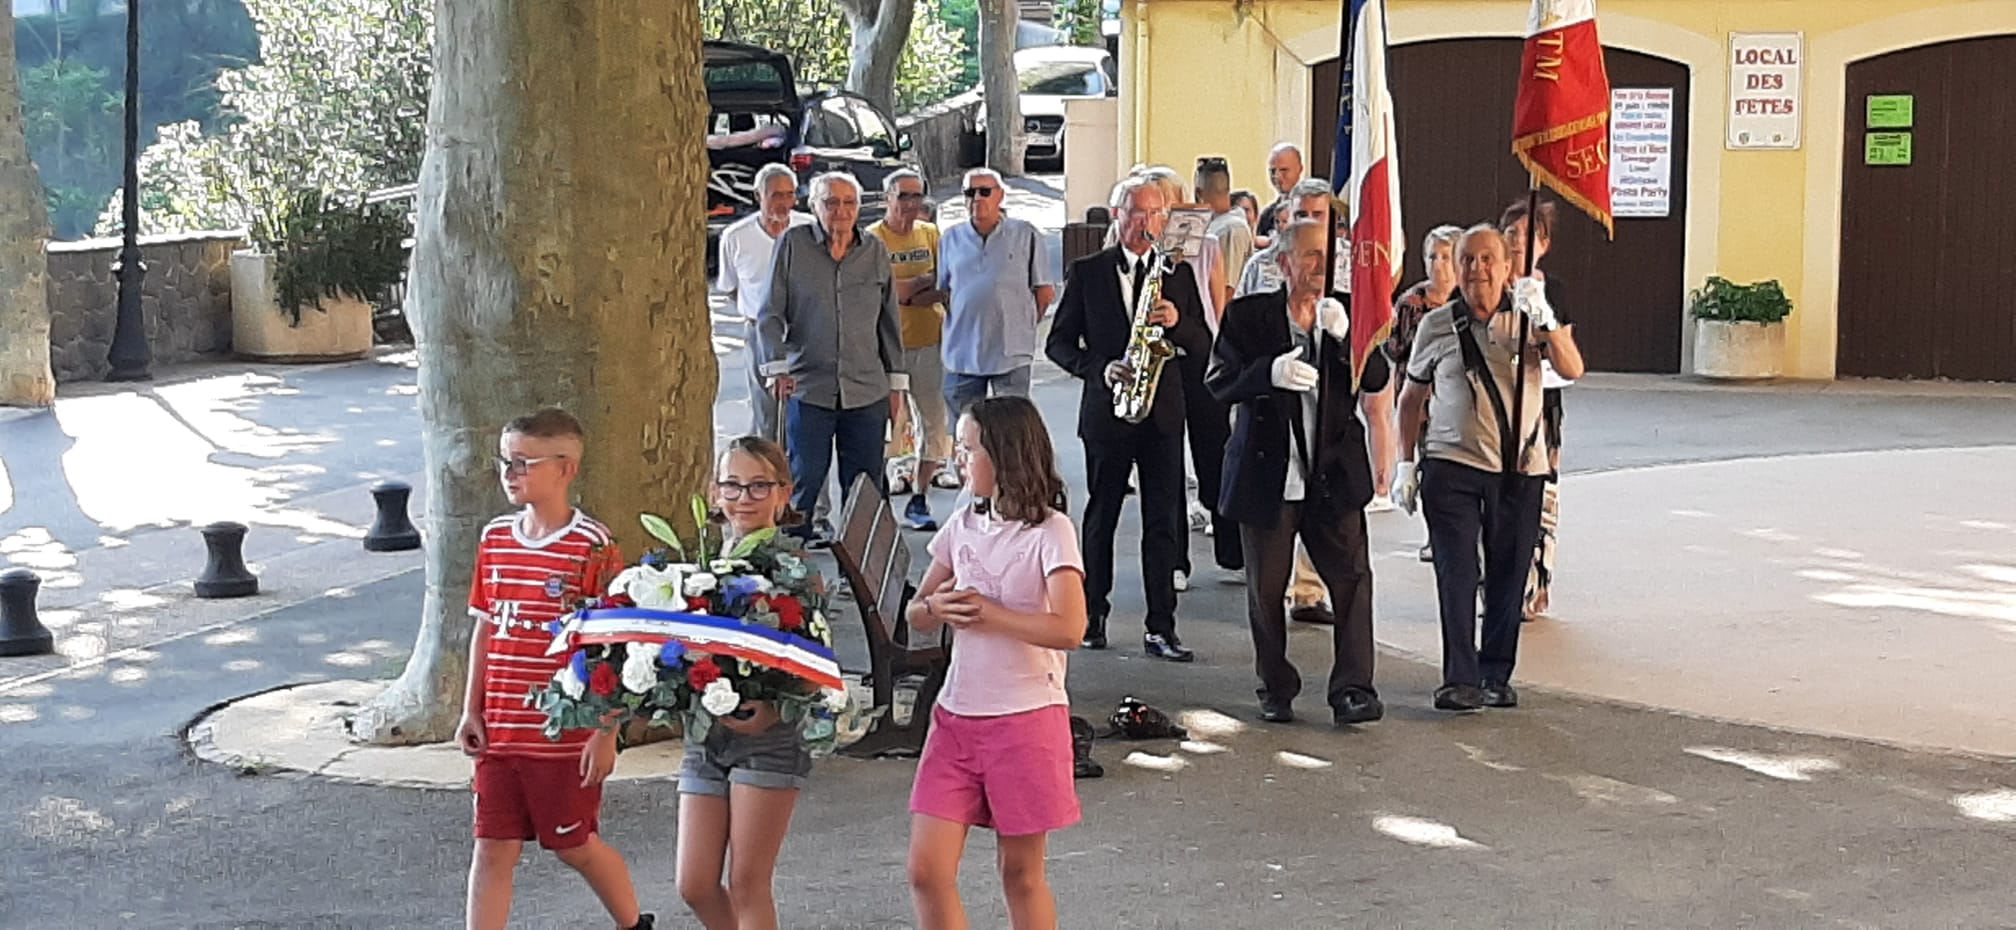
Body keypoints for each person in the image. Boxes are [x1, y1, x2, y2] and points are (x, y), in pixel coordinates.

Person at [456, 407, 654, 930]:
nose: (510, 473)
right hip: (501, 731)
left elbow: (615, 647)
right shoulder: (495, 538)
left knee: (574, 845)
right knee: (492, 847)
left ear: (566, 469)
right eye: (505, 461)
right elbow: (485, 629)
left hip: (562, 736)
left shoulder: (592, 546)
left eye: (524, 462)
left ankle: (634, 923)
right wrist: (471, 709)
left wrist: (606, 732)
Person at [904, 396, 1088, 930]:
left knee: (1021, 874)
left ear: (1006, 455)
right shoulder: (963, 522)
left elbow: (1070, 628)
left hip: (1026, 719)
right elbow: (917, 611)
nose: (959, 461)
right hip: (956, 717)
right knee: (926, 871)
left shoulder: (1051, 531)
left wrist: (990, 614)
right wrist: (935, 609)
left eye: (969, 450)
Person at [1392, 224, 1586, 712]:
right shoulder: (1436, 326)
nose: (1476, 269)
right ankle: (1460, 678)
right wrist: (1405, 464)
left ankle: (1495, 673)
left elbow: (1572, 368)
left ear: (1506, 267)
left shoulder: (1529, 318)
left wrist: (1546, 322)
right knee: (1457, 572)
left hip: (1520, 467)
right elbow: (1411, 398)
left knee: (1509, 572)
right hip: (1452, 464)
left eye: (1486, 260)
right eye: (1467, 260)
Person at [1208, 220, 1389, 726]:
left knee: (1352, 580)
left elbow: (1377, 377)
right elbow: (1219, 381)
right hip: (1269, 474)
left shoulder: (1344, 312)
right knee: (1267, 591)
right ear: (1283, 263)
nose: (1320, 266)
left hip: (1332, 475)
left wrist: (1348, 339)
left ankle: (1354, 688)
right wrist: (1268, 373)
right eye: (1310, 255)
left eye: (1327, 256)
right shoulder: (1248, 316)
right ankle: (1276, 685)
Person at [1045, 175, 1212, 662]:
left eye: (1153, 213)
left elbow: (1203, 341)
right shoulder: (1088, 272)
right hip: (1108, 412)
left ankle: (1161, 626)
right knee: (1102, 516)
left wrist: (1178, 323)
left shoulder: (1176, 274)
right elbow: (1058, 343)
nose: (1145, 222)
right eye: (1136, 212)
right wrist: (1099, 368)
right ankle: (1092, 615)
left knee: (1162, 522)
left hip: (1161, 414)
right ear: (1117, 216)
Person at [676, 437, 815, 930]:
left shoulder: (795, 570)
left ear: (783, 493)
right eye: (732, 485)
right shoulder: (701, 561)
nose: (744, 498)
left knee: (748, 883)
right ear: (715, 492)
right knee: (694, 883)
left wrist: (776, 708)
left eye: (759, 486)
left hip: (767, 742)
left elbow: (817, 669)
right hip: (706, 738)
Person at [757, 171, 907, 545]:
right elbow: (770, 312)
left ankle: (861, 571)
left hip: (866, 389)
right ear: (813, 206)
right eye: (830, 202)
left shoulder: (874, 251)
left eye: (848, 202)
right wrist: (776, 367)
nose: (840, 211)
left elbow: (888, 320)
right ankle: (791, 564)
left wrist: (896, 385)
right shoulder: (793, 245)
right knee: (802, 481)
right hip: (809, 388)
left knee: (866, 487)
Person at [1275, 179, 1397, 625]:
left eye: (1319, 215)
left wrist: (1347, 338)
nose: (1309, 220)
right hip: (1277, 428)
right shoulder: (1267, 264)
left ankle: (1310, 590)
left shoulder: (1353, 269)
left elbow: (1376, 370)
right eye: (1301, 213)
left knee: (1346, 561)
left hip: (1332, 426)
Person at [869, 169, 954, 531]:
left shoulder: (931, 234)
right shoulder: (872, 240)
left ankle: (919, 498)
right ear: (887, 198)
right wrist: (918, 285)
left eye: (917, 195)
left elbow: (946, 284)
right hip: (884, 348)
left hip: (930, 341)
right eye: (903, 195)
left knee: (933, 423)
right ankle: (878, 503)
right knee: (883, 426)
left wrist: (911, 289)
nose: (911, 203)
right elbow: (888, 292)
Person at [1500, 199, 1571, 621]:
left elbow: (1568, 355)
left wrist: (1545, 320)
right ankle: (1496, 586)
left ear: (1544, 244)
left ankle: (1534, 586)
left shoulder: (1553, 290)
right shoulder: (1489, 283)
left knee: (1541, 500)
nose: (1518, 242)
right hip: (1496, 407)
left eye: (1529, 235)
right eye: (1511, 233)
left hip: (1543, 408)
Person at [937, 168, 1057, 415]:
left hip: (1011, 353)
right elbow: (945, 292)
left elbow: (1044, 293)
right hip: (962, 354)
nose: (977, 198)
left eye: (984, 192)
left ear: (1000, 196)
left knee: (1011, 427)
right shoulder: (950, 238)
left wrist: (1021, 323)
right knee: (965, 428)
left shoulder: (1026, 234)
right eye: (970, 193)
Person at [715, 164, 814, 440]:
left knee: (807, 410)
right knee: (766, 411)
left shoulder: (809, 229)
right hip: (759, 333)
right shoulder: (736, 237)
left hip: (805, 329)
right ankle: (767, 462)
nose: (784, 202)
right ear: (759, 196)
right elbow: (730, 288)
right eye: (776, 195)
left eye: (789, 194)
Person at [1387, 224, 1465, 563]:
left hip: (1457, 399)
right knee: (1430, 468)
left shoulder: (1469, 300)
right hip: (1419, 398)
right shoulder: (1411, 302)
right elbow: (1394, 348)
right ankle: (1435, 535)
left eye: (1446, 257)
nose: (1439, 265)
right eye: (1433, 257)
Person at [1255, 142, 1305, 239]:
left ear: (1300, 169)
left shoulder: (1312, 209)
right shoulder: (1267, 215)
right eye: (1273, 171)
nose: (1277, 176)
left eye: (1284, 170)